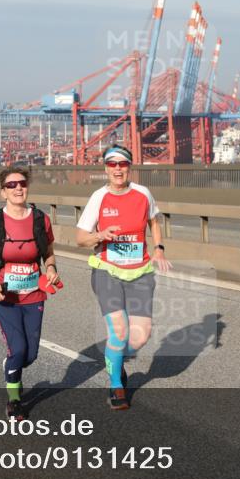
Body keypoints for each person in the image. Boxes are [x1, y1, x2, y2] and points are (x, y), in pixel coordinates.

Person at [75, 145, 170, 410]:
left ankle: (114, 356)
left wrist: (158, 248)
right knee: (118, 331)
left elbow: (154, 221)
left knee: (139, 338)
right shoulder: (99, 197)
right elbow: (80, 238)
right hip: (107, 270)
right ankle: (116, 384)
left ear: (130, 167)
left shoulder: (143, 194)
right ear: (105, 168)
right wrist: (100, 236)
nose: (118, 169)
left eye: (123, 164)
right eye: (112, 164)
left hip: (139, 271)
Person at [0, 167, 58, 421]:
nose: (18, 188)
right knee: (18, 348)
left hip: (33, 295)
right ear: (3, 192)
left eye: (21, 184)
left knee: (30, 354)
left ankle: (12, 365)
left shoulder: (40, 220)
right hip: (4, 297)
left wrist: (52, 268)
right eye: (11, 185)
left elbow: (49, 253)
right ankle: (14, 401)